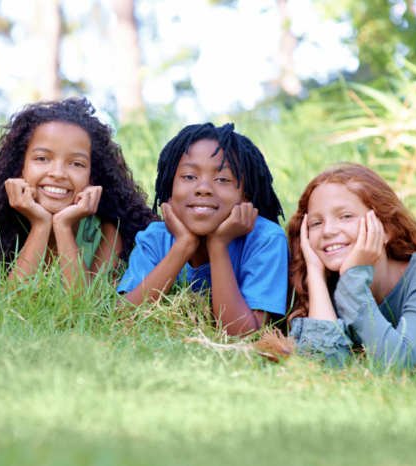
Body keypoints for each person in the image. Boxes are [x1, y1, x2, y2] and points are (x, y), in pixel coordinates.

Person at [117, 123, 288, 336]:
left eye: (223, 179)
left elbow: (242, 336)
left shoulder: (265, 240)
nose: (204, 188)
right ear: (170, 187)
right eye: (189, 176)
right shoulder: (154, 238)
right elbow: (124, 318)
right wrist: (183, 245)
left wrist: (218, 245)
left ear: (245, 196)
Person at [0, 98, 157, 286]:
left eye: (76, 163)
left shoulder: (107, 231)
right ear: (20, 167)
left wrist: (63, 226)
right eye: (42, 158)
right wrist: (40, 225)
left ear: (93, 177)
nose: (58, 174)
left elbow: (87, 308)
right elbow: (8, 305)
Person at [287, 162, 416, 368]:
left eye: (345, 216)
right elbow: (323, 365)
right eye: (316, 223)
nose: (328, 231)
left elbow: (401, 363)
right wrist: (314, 273)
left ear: (386, 228)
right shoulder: (323, 281)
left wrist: (352, 280)